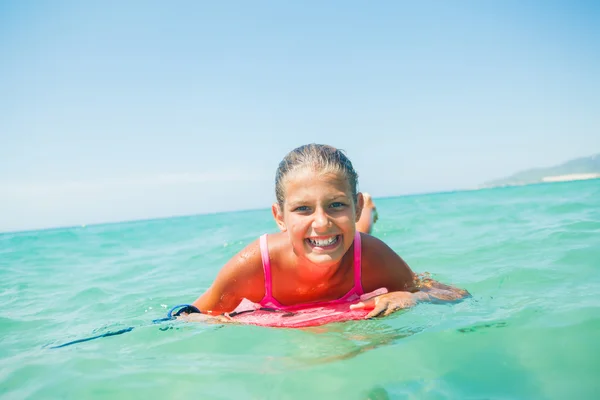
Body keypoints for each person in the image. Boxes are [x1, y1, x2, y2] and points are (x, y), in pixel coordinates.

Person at [186, 144, 469, 321]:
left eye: (336, 204)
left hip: (354, 245)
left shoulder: (373, 255)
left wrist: (413, 297)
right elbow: (190, 316)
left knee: (356, 236)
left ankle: (368, 212)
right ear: (279, 217)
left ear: (354, 206)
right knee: (335, 236)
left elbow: (454, 294)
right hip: (342, 240)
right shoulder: (257, 264)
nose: (320, 221)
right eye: (303, 209)